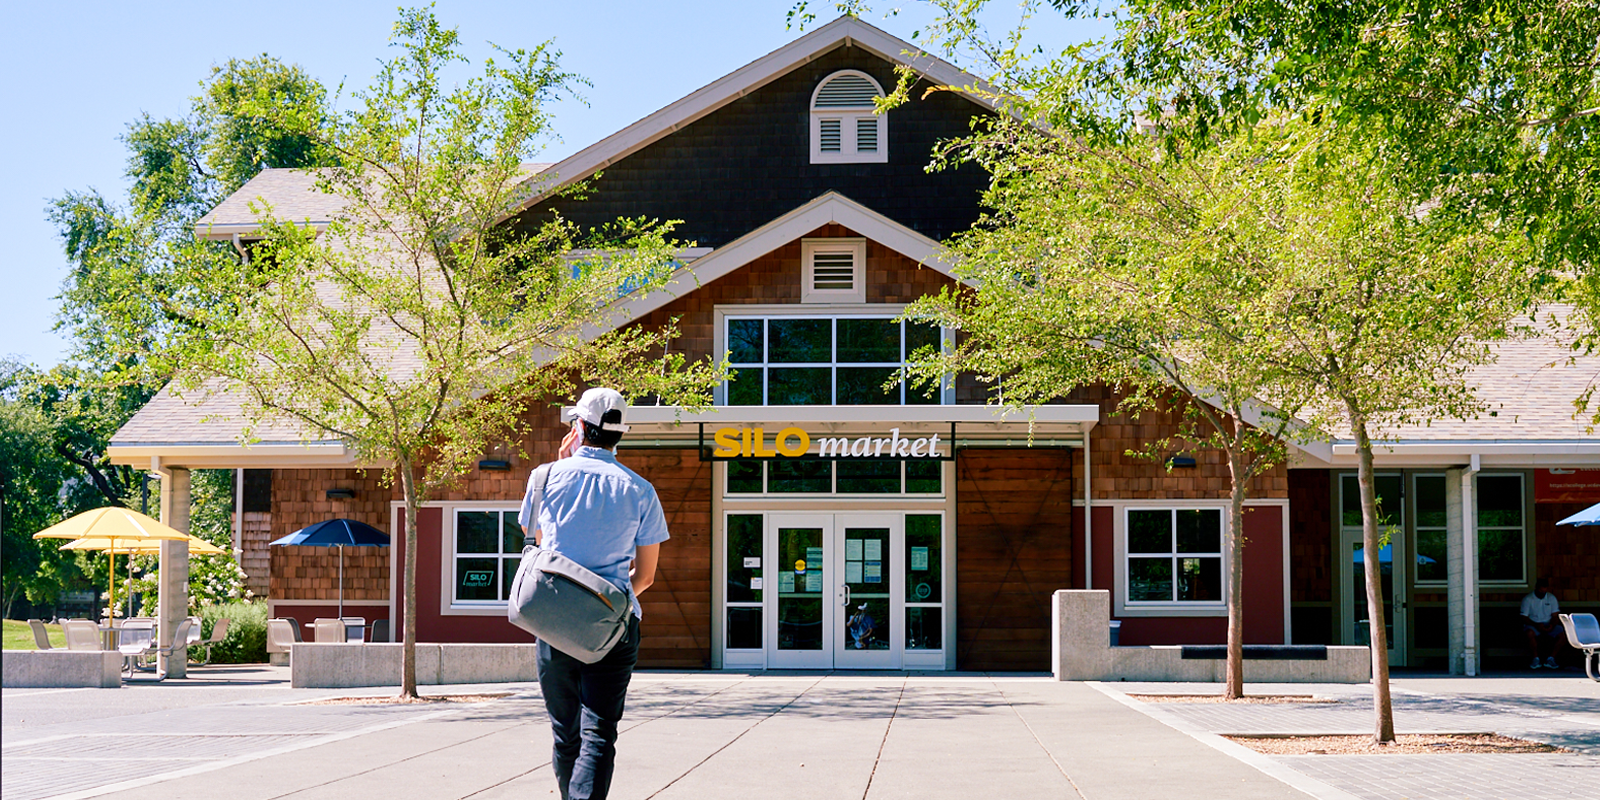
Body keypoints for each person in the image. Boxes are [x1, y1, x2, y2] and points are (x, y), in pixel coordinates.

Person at [519, 388, 667, 800]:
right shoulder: (641, 490)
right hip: (613, 629)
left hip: (554, 623)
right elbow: (647, 576)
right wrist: (610, 605)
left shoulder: (544, 476)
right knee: (599, 733)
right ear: (619, 435)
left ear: (579, 428)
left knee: (566, 734)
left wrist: (563, 464)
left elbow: (544, 546)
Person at [1520, 578, 1563, 670]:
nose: (1542, 593)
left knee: (1563, 634)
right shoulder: (1528, 599)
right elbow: (1524, 617)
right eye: (1540, 590)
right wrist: (1537, 625)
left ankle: (1551, 659)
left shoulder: (1551, 598)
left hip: (1549, 624)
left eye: (1545, 591)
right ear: (1536, 588)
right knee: (1529, 633)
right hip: (1533, 624)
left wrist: (1552, 625)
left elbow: (1555, 616)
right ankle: (1535, 659)